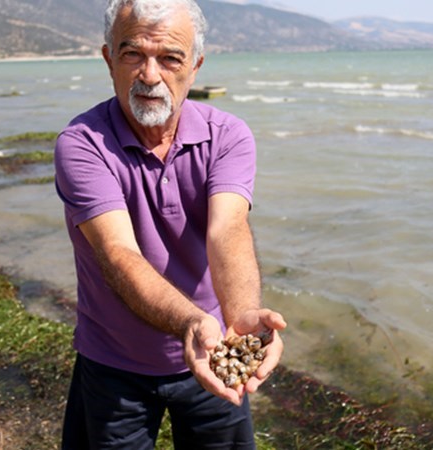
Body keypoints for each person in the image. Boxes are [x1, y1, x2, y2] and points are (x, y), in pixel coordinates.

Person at [53, 0, 287, 448]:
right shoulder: (82, 144)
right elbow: (119, 254)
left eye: (170, 58)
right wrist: (191, 322)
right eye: (133, 55)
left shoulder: (228, 136)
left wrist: (241, 320)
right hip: (113, 365)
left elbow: (227, 230)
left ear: (195, 66)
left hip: (216, 352)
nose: (150, 75)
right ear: (108, 60)